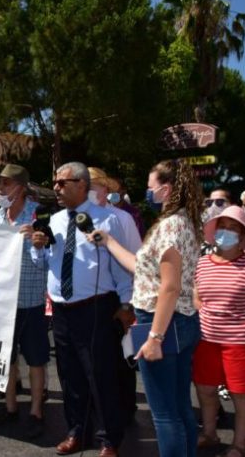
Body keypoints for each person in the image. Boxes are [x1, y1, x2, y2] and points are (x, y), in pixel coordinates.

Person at [88, 159, 205, 457]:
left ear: (165, 190)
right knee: (179, 408)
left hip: (161, 322)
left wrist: (154, 338)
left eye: (151, 187)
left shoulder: (170, 226)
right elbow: (142, 268)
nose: (147, 192)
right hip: (177, 321)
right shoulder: (183, 222)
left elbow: (169, 286)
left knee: (165, 414)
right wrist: (110, 241)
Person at [30, 161, 132, 457]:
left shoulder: (109, 219)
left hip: (96, 307)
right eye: (55, 182)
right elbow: (44, 264)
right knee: (70, 375)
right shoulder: (55, 220)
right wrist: (38, 247)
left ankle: (109, 439)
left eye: (63, 183)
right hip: (61, 310)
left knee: (100, 376)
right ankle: (77, 431)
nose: (56, 188)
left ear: (82, 185)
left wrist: (126, 304)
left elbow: (123, 267)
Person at [192, 206, 245, 457]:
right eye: (222, 227)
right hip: (207, 339)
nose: (226, 233)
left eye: (233, 229)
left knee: (241, 393)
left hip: (243, 341)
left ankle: (240, 445)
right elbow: (197, 297)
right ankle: (210, 433)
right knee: (205, 389)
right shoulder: (201, 264)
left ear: (243, 238)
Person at [0, 164, 49, 438]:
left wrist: (35, 244)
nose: (0, 189)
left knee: (36, 360)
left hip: (30, 301)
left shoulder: (38, 215)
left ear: (20, 188)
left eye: (5, 183)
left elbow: (47, 261)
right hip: (2, 302)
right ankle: (10, 407)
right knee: (7, 359)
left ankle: (36, 411)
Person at [88, 167, 143, 426]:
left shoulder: (121, 218)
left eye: (93, 185)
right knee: (95, 360)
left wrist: (127, 303)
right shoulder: (74, 218)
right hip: (90, 301)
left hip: (117, 298)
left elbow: (134, 259)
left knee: (121, 358)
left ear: (105, 190)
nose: (89, 190)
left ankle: (125, 407)